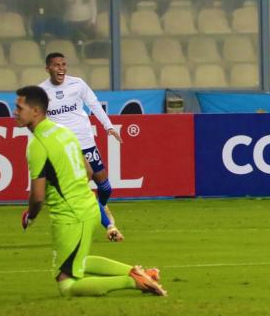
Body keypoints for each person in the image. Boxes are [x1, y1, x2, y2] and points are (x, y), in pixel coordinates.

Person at [15, 86, 166, 297]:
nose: (15, 112)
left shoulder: (37, 145)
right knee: (79, 260)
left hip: (70, 217)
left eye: (19, 107)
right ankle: (139, 272)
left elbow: (38, 197)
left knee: (66, 283)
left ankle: (135, 282)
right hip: (89, 207)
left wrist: (30, 216)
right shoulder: (63, 131)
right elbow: (88, 170)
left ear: (36, 111)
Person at [40, 53, 122, 223]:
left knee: (105, 187)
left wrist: (109, 126)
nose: (61, 68)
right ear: (48, 68)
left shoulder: (77, 84)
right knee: (83, 183)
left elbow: (94, 104)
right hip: (64, 146)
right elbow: (38, 120)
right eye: (56, 65)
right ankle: (95, 220)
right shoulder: (41, 91)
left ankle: (103, 205)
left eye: (63, 64)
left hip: (85, 141)